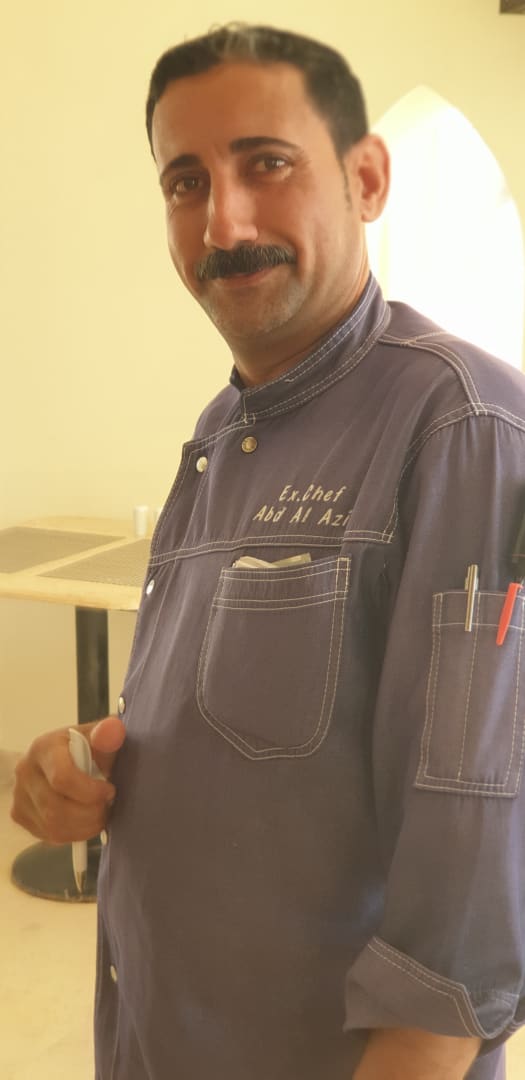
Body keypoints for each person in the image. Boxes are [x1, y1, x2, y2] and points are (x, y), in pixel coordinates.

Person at [11, 23, 525, 1080]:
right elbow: (252, 739)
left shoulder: (463, 428)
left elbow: (461, 945)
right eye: (185, 182)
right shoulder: (220, 432)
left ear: (365, 179)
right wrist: (83, 770)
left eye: (267, 165)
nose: (224, 222)